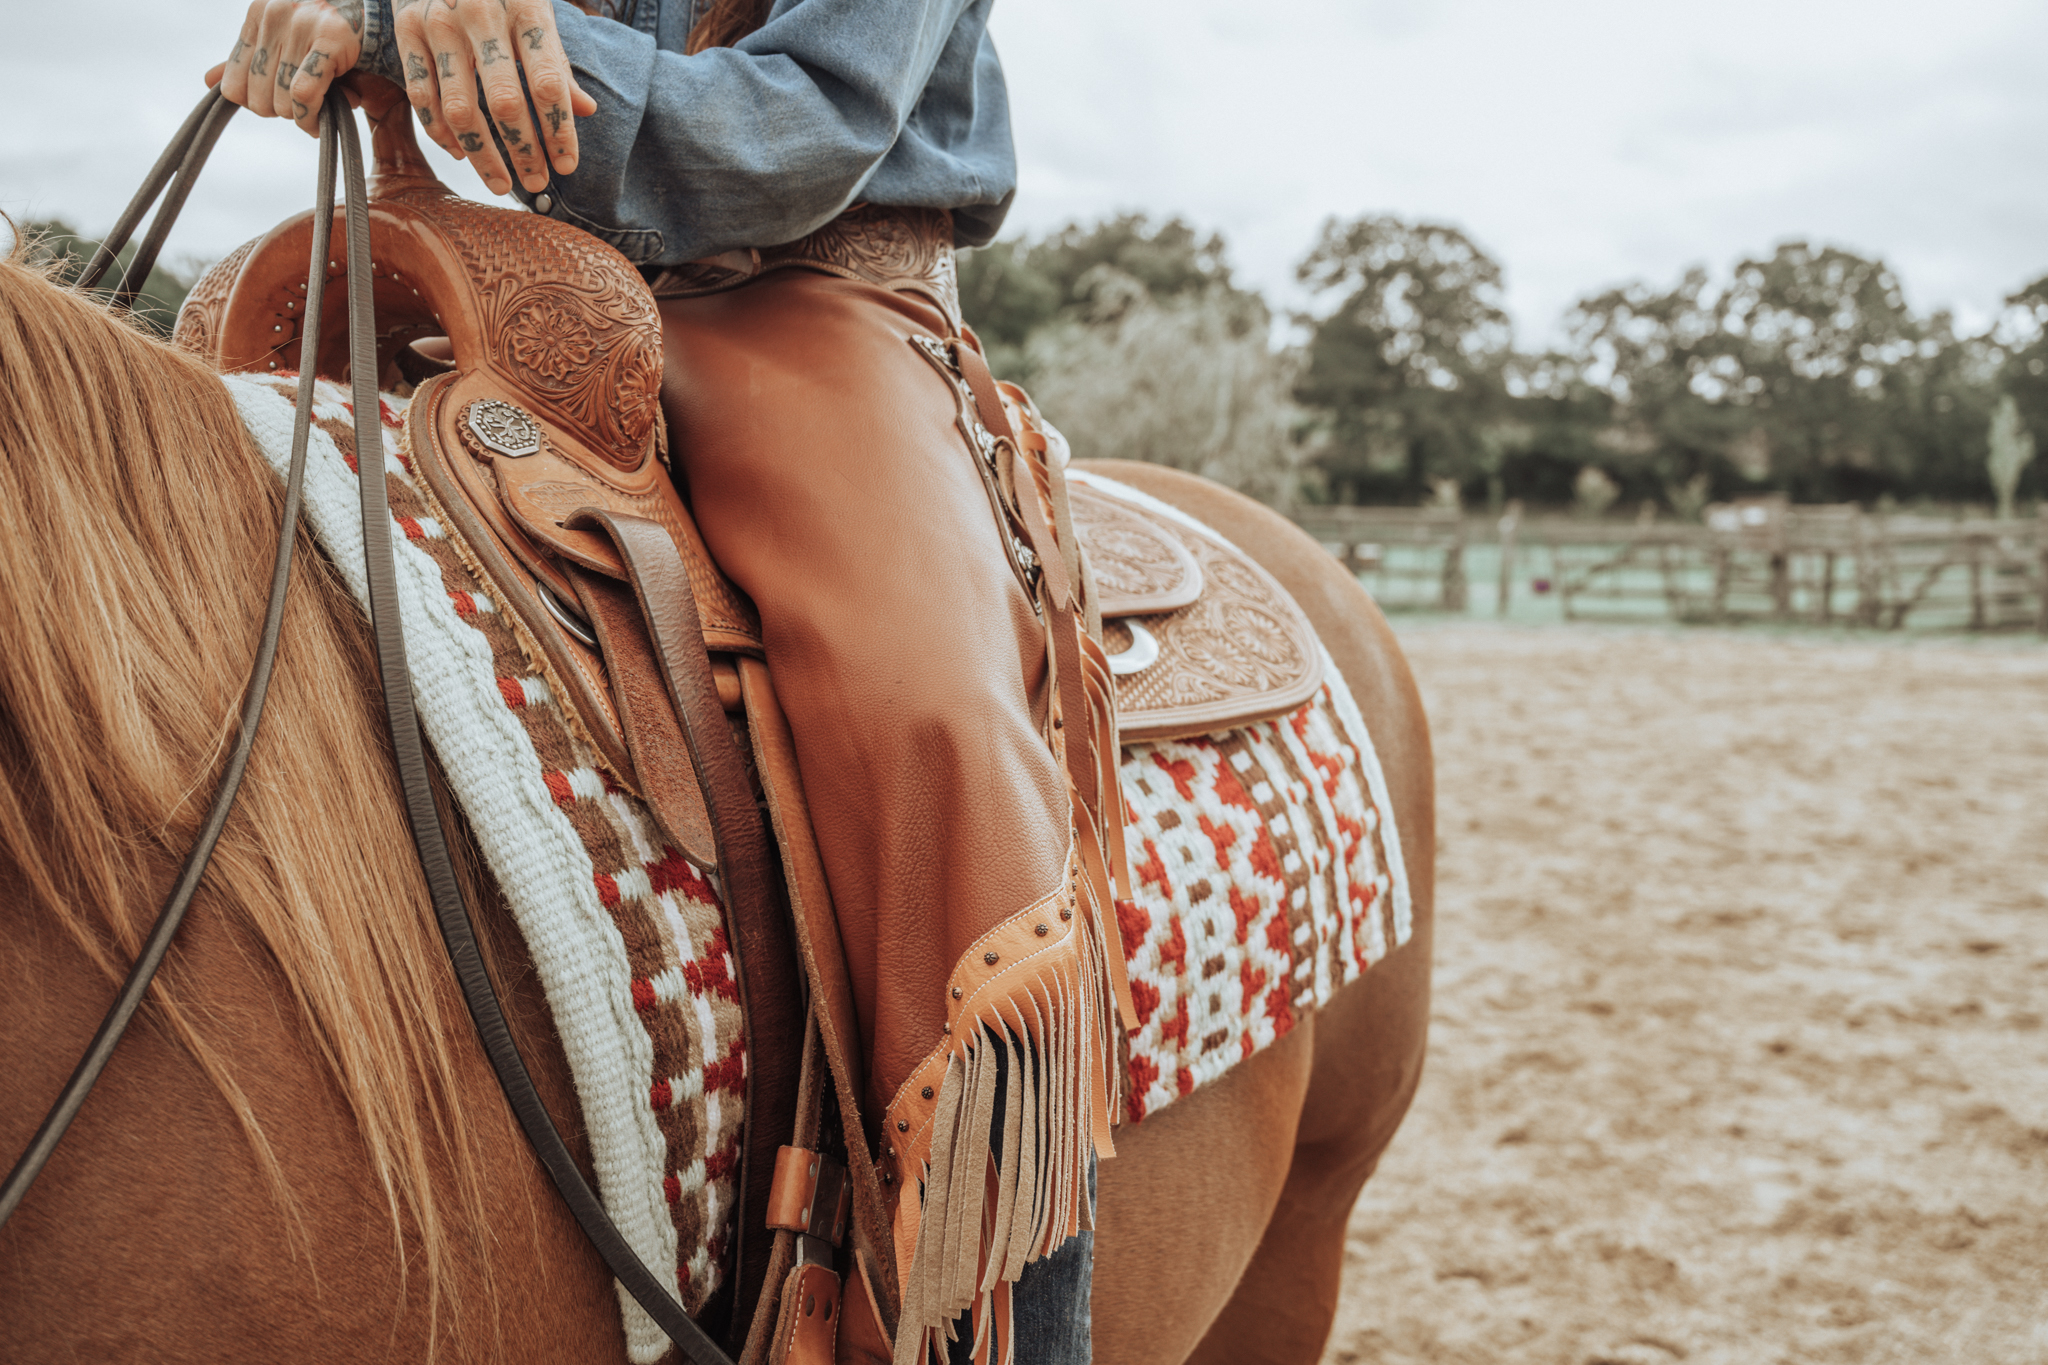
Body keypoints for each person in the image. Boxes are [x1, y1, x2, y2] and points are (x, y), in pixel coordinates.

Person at [208, 4, 1129, 1363]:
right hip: (529, 287)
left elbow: (800, 126)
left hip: (814, 294)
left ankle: (1000, 1318)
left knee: (925, 713)